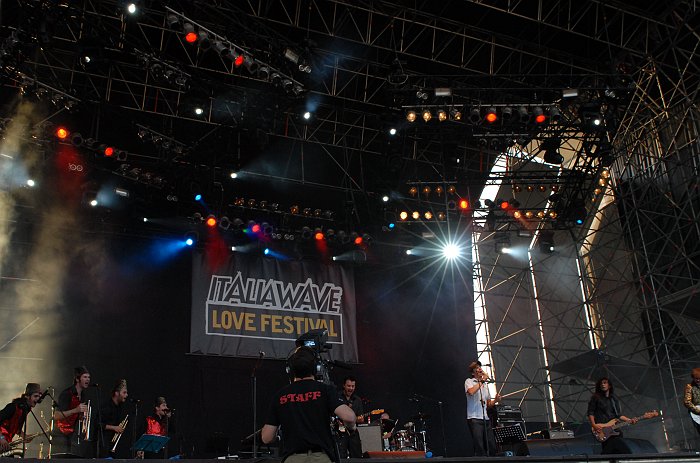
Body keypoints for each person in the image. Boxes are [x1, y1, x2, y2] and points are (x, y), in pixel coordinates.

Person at [261, 346, 356, 463]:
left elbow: (266, 437)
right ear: (315, 368)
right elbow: (349, 417)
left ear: (290, 369)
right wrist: (351, 428)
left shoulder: (280, 396)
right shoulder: (325, 390)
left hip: (292, 458)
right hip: (320, 457)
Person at [53, 365, 96, 457]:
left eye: (89, 377)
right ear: (77, 379)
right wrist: (76, 410)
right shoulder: (67, 394)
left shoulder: (83, 395)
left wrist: (82, 416)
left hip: (72, 433)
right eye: (85, 377)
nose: (88, 379)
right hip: (60, 433)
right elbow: (56, 415)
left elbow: (76, 414)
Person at [587, 377, 637, 454]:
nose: (603, 385)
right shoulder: (595, 398)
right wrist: (594, 425)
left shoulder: (614, 399)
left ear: (609, 385)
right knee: (608, 450)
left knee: (620, 448)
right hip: (602, 429)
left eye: (605, 383)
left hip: (614, 429)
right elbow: (590, 412)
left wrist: (629, 420)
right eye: (601, 383)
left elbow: (618, 415)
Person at [465, 361, 500, 456]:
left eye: (480, 367)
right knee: (479, 445)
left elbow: (488, 404)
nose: (480, 369)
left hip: (485, 418)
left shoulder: (485, 385)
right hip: (474, 418)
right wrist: (482, 381)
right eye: (477, 367)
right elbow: (471, 392)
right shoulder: (469, 381)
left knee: (491, 444)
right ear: (473, 372)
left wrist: (495, 400)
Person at [0, 383, 44, 453]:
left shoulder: (25, 410)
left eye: (39, 396)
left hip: (5, 444)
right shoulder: (12, 407)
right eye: (35, 396)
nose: (38, 399)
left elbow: (16, 428)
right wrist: (1, 438)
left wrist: (24, 436)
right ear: (27, 396)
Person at [100, 379, 130, 458]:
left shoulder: (119, 407)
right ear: (116, 393)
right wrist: (114, 428)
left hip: (112, 444)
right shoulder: (106, 406)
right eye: (124, 392)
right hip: (103, 444)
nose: (126, 395)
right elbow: (98, 424)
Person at [337, 376, 364, 458]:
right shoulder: (337, 397)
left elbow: (361, 418)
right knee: (341, 456)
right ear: (344, 385)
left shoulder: (357, 400)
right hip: (340, 432)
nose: (351, 388)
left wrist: (356, 419)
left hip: (353, 432)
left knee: (357, 456)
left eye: (353, 386)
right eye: (349, 386)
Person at [683, 368, 700, 435]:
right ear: (693, 378)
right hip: (697, 414)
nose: (698, 380)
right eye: (696, 378)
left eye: (699, 378)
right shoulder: (689, 387)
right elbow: (687, 402)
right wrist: (698, 411)